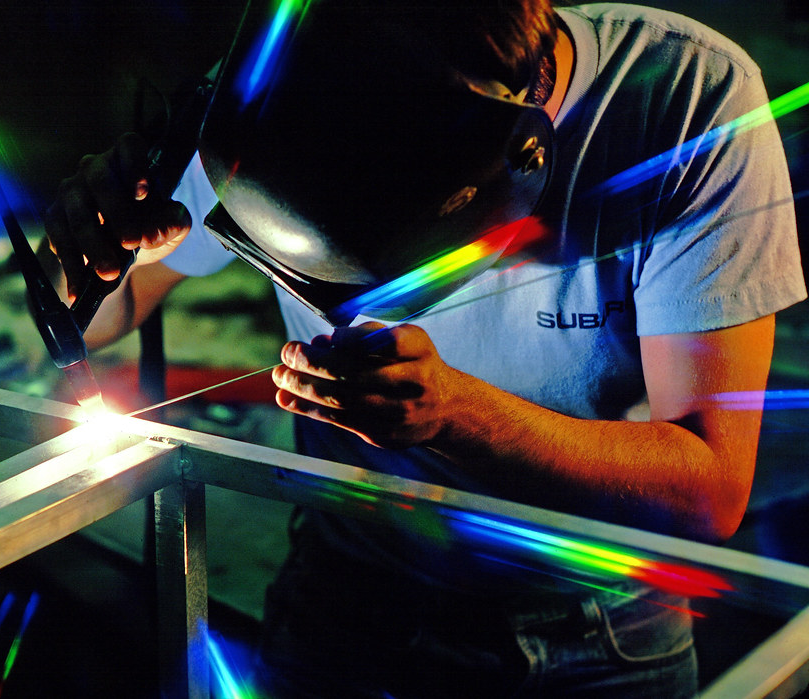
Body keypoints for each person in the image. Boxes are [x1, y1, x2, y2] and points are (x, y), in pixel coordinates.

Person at [44, 1, 806, 696]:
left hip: (594, 637)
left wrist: (458, 417)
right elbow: (106, 318)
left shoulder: (688, 105)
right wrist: (96, 247)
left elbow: (710, 489)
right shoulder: (282, 87)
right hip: (343, 605)